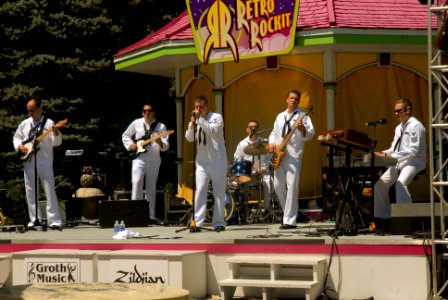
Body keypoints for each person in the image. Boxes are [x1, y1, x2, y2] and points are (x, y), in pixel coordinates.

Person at [373, 98, 427, 235]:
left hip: (414, 161)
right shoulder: (399, 128)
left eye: (399, 110)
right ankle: (383, 219)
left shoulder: (416, 126)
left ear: (408, 110)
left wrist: (390, 156)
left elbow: (413, 151)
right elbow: (394, 149)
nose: (396, 114)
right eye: (395, 111)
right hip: (399, 161)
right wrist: (382, 153)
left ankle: (405, 220)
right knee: (380, 185)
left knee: (400, 183)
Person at [13, 96, 64, 230]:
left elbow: (56, 142)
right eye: (28, 111)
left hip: (45, 161)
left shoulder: (49, 123)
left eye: (33, 110)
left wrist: (56, 132)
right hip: (29, 160)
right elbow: (17, 138)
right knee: (30, 190)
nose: (30, 113)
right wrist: (19, 146)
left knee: (49, 189)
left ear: (40, 109)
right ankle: (34, 219)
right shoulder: (25, 124)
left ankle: (54, 220)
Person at [268, 89, 315, 229]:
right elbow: (274, 132)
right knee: (277, 185)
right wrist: (271, 143)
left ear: (298, 101)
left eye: (296, 98)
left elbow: (311, 134)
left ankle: (289, 220)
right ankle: (288, 212)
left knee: (292, 186)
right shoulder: (280, 116)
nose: (293, 100)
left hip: (294, 155)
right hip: (279, 154)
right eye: (291, 98)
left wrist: (302, 130)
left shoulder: (303, 116)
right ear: (286, 99)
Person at [122, 103, 170, 224]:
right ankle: (134, 215)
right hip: (139, 158)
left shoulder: (160, 126)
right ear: (142, 113)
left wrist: (160, 142)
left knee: (151, 187)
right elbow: (125, 135)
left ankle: (150, 216)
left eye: (149, 111)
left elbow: (166, 146)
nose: (147, 113)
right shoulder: (136, 123)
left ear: (154, 112)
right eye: (145, 111)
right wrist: (130, 145)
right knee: (136, 183)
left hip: (154, 159)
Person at [185, 95, 227, 232]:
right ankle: (197, 222)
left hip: (218, 161)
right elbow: (189, 138)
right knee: (200, 190)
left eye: (201, 107)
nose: (198, 109)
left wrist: (199, 120)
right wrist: (192, 124)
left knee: (219, 193)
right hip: (202, 162)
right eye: (196, 107)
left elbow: (212, 130)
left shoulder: (217, 117)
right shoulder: (196, 120)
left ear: (207, 106)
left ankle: (219, 222)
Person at [234, 120, 273, 211]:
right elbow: (237, 159)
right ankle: (240, 210)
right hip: (248, 173)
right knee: (234, 183)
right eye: (251, 127)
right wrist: (246, 169)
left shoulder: (265, 142)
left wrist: (264, 168)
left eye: (255, 127)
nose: (253, 129)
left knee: (270, 181)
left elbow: (270, 159)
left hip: (262, 171)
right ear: (247, 130)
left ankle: (266, 208)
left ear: (258, 129)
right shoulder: (242, 144)